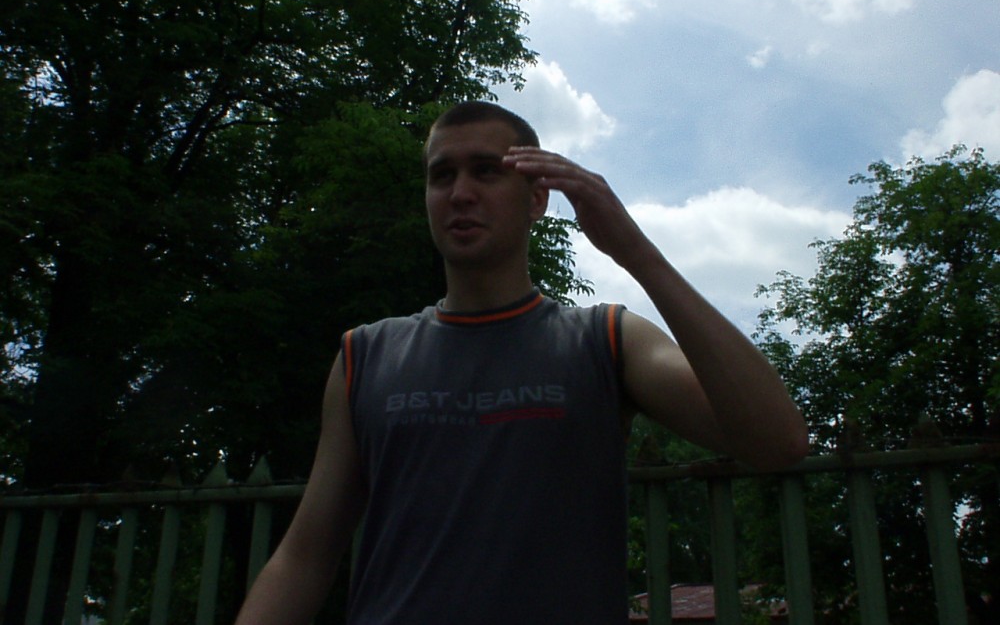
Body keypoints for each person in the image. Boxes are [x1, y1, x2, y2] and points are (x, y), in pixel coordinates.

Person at [234, 101, 808, 625]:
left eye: (486, 171)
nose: (460, 193)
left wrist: (634, 251)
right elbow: (305, 557)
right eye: (442, 175)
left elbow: (777, 442)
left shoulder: (607, 340)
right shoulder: (364, 355)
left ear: (537, 199)